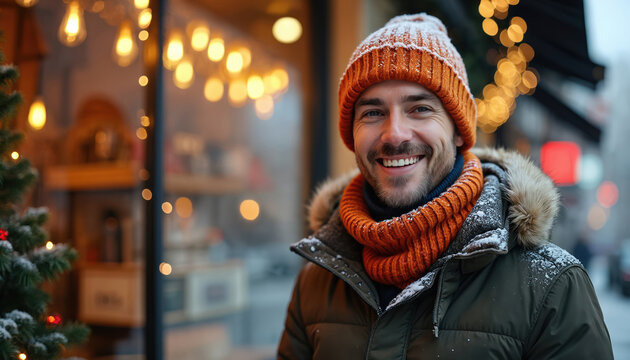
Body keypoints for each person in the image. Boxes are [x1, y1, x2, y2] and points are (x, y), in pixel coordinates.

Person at [278, 13, 613, 359]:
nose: (394, 134)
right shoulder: (316, 282)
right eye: (372, 113)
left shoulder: (550, 286)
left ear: (457, 131)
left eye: (420, 109)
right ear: (351, 135)